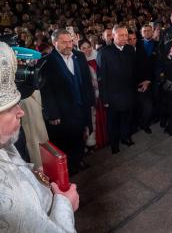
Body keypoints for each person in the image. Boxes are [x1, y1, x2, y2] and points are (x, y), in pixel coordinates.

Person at [0, 42, 79, 232]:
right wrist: (65, 203)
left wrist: (33, 175)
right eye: (12, 108)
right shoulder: (12, 200)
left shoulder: (4, 144)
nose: (20, 112)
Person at [40, 29, 95, 174]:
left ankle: (79, 160)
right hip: (62, 111)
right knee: (64, 141)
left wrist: (90, 102)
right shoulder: (46, 62)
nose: (68, 45)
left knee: (80, 136)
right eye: (64, 42)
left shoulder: (79, 56)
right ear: (54, 42)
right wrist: (52, 114)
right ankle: (67, 168)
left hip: (81, 107)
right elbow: (46, 91)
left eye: (70, 41)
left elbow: (87, 81)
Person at [99, 25, 137, 154]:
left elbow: (133, 71)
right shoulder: (104, 52)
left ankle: (125, 138)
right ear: (113, 36)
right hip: (113, 95)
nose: (124, 38)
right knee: (113, 121)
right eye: (121, 35)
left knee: (127, 117)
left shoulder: (130, 49)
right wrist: (105, 98)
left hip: (128, 92)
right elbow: (102, 77)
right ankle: (114, 144)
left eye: (126, 35)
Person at [78, 38, 108, 150]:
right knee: (91, 120)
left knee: (103, 118)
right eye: (83, 48)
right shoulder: (79, 62)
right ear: (79, 50)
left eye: (88, 47)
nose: (87, 50)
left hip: (102, 95)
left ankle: (104, 139)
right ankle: (92, 142)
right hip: (89, 96)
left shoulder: (98, 56)